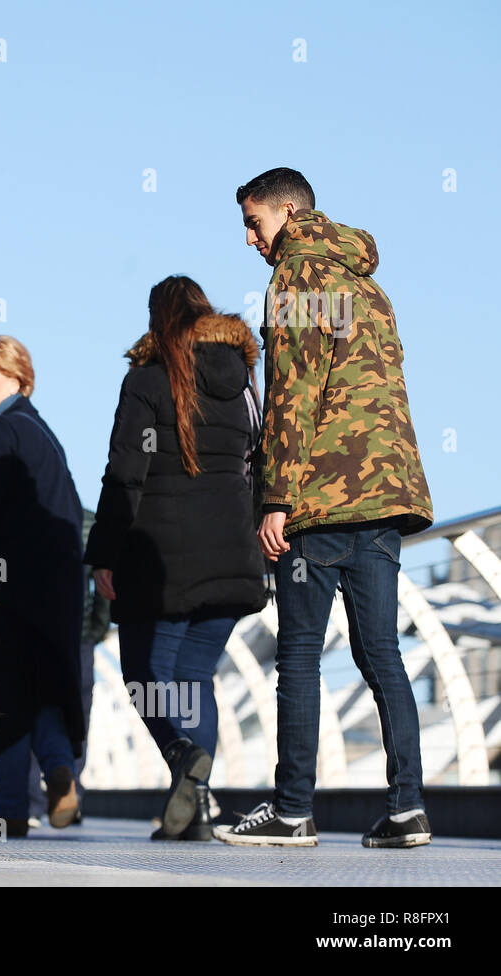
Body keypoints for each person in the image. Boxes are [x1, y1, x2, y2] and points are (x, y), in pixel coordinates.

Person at [216, 168, 434, 848]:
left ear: (288, 210)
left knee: (300, 656)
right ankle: (407, 810)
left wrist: (275, 500)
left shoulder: (296, 278)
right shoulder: (368, 283)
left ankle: (292, 810)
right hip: (385, 497)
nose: (249, 240)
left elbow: (292, 394)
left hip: (321, 499)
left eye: (254, 223)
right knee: (382, 657)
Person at [84, 276, 267, 841]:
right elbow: (259, 464)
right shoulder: (243, 383)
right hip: (235, 553)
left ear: (157, 318)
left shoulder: (146, 379)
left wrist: (105, 554)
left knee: (145, 678)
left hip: (160, 559)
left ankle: (183, 754)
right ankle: (196, 813)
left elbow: (125, 473)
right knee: (194, 676)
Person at [0, 335, 85, 838]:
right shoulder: (43, 434)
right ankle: (55, 768)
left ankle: (11, 807)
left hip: (5, 586)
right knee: (42, 689)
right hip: (54, 586)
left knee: (7, 693)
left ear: (16, 377)